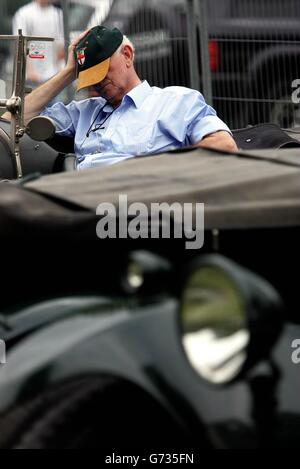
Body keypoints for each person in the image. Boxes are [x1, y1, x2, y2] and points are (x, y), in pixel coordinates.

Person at [5, 26, 238, 169]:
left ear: (127, 55)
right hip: (81, 205)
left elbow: (224, 145)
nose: (97, 82)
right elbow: (12, 119)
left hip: (141, 206)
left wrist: (161, 172)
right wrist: (68, 73)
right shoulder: (85, 111)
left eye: (102, 71)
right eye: (90, 77)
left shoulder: (176, 101)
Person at [12, 0, 65, 86]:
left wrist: (59, 69)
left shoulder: (58, 14)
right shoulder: (23, 13)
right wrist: (30, 71)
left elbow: (61, 44)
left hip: (53, 76)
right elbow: (21, 44)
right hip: (31, 78)